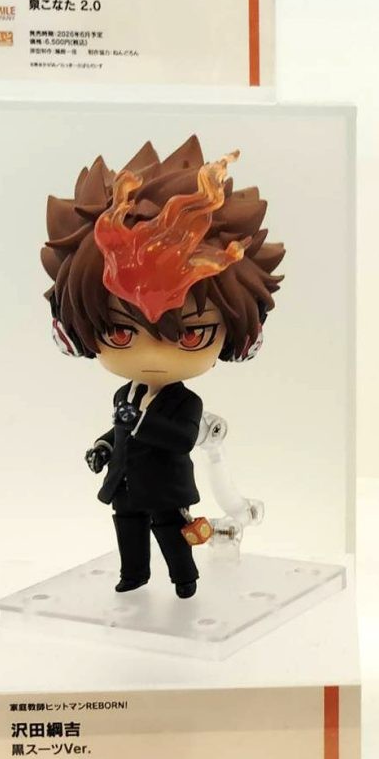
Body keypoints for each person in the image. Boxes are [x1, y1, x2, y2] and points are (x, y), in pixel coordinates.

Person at [41, 136, 283, 598]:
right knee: (128, 528)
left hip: (167, 491)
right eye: (120, 332)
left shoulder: (185, 403)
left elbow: (181, 438)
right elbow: (120, 428)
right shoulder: (125, 394)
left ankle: (184, 579)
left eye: (191, 336)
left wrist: (137, 423)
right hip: (125, 485)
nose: (153, 355)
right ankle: (133, 575)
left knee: (171, 534)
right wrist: (103, 446)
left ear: (242, 340)